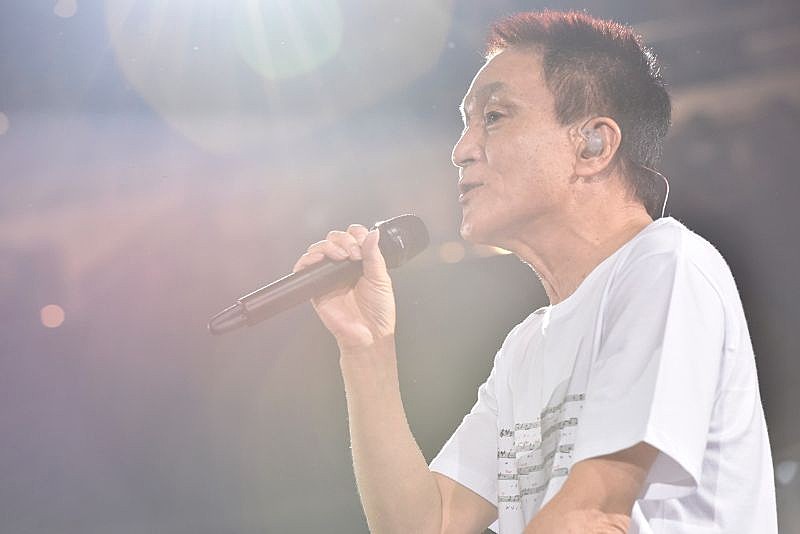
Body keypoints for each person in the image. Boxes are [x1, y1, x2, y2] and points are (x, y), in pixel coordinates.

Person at [291, 10, 777, 534]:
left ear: (593, 145)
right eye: (466, 123)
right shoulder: (526, 347)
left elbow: (593, 515)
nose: (461, 151)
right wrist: (366, 349)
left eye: (494, 116)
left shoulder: (665, 264)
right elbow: (429, 523)